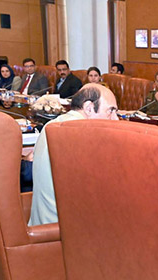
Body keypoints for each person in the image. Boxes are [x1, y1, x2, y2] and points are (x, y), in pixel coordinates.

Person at [30, 84, 118, 226]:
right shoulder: (81, 133)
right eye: (111, 111)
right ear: (89, 108)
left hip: (41, 223)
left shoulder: (51, 125)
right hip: (60, 234)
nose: (115, 119)